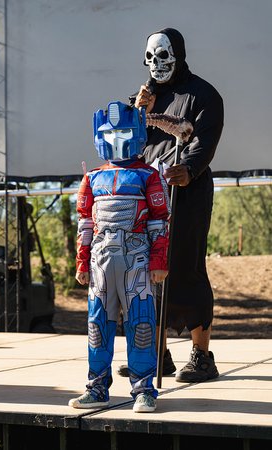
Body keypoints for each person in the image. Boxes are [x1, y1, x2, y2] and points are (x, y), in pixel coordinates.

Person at [117, 28, 224, 383]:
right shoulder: (145, 96)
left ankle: (202, 355)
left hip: (186, 193)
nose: (155, 65)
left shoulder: (204, 94)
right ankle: (155, 354)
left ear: (177, 54)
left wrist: (189, 169)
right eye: (149, 58)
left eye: (163, 56)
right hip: (148, 193)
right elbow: (127, 140)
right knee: (146, 271)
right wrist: (138, 111)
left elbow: (205, 141)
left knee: (184, 266)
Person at [68, 101, 170, 412]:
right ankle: (97, 387)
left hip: (136, 259)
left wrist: (158, 262)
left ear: (137, 133)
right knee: (97, 327)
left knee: (141, 325)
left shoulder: (149, 175)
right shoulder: (93, 178)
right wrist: (82, 262)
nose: (115, 139)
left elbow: (159, 222)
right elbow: (85, 223)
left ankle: (143, 390)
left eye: (123, 132)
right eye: (109, 133)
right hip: (101, 261)